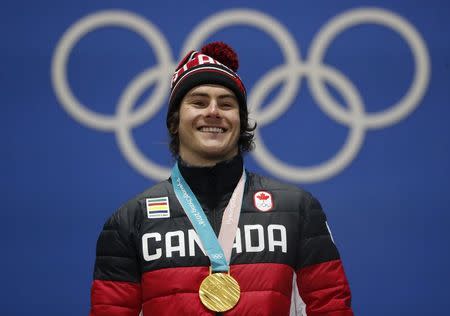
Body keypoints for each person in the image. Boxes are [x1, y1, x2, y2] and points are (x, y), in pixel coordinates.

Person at [90, 41, 353, 316]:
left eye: (226, 104)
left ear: (240, 122)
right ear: (175, 121)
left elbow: (330, 307)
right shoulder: (130, 221)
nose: (213, 111)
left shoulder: (297, 209)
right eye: (199, 102)